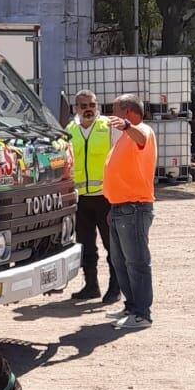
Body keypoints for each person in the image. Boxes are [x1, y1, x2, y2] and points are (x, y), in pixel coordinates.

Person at [102, 93, 157, 330]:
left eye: (115, 110)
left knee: (136, 262)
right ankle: (132, 307)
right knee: (121, 262)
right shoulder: (125, 137)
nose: (112, 115)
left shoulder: (141, 130)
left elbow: (140, 137)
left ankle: (142, 314)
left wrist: (127, 127)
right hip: (119, 208)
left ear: (127, 112)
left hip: (133, 208)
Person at [66, 90, 121, 303]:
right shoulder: (70, 130)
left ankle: (115, 288)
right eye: (83, 105)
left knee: (112, 245)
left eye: (92, 104)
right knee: (85, 245)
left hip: (105, 197)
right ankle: (91, 286)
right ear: (75, 109)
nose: (88, 108)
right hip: (81, 199)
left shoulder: (108, 127)